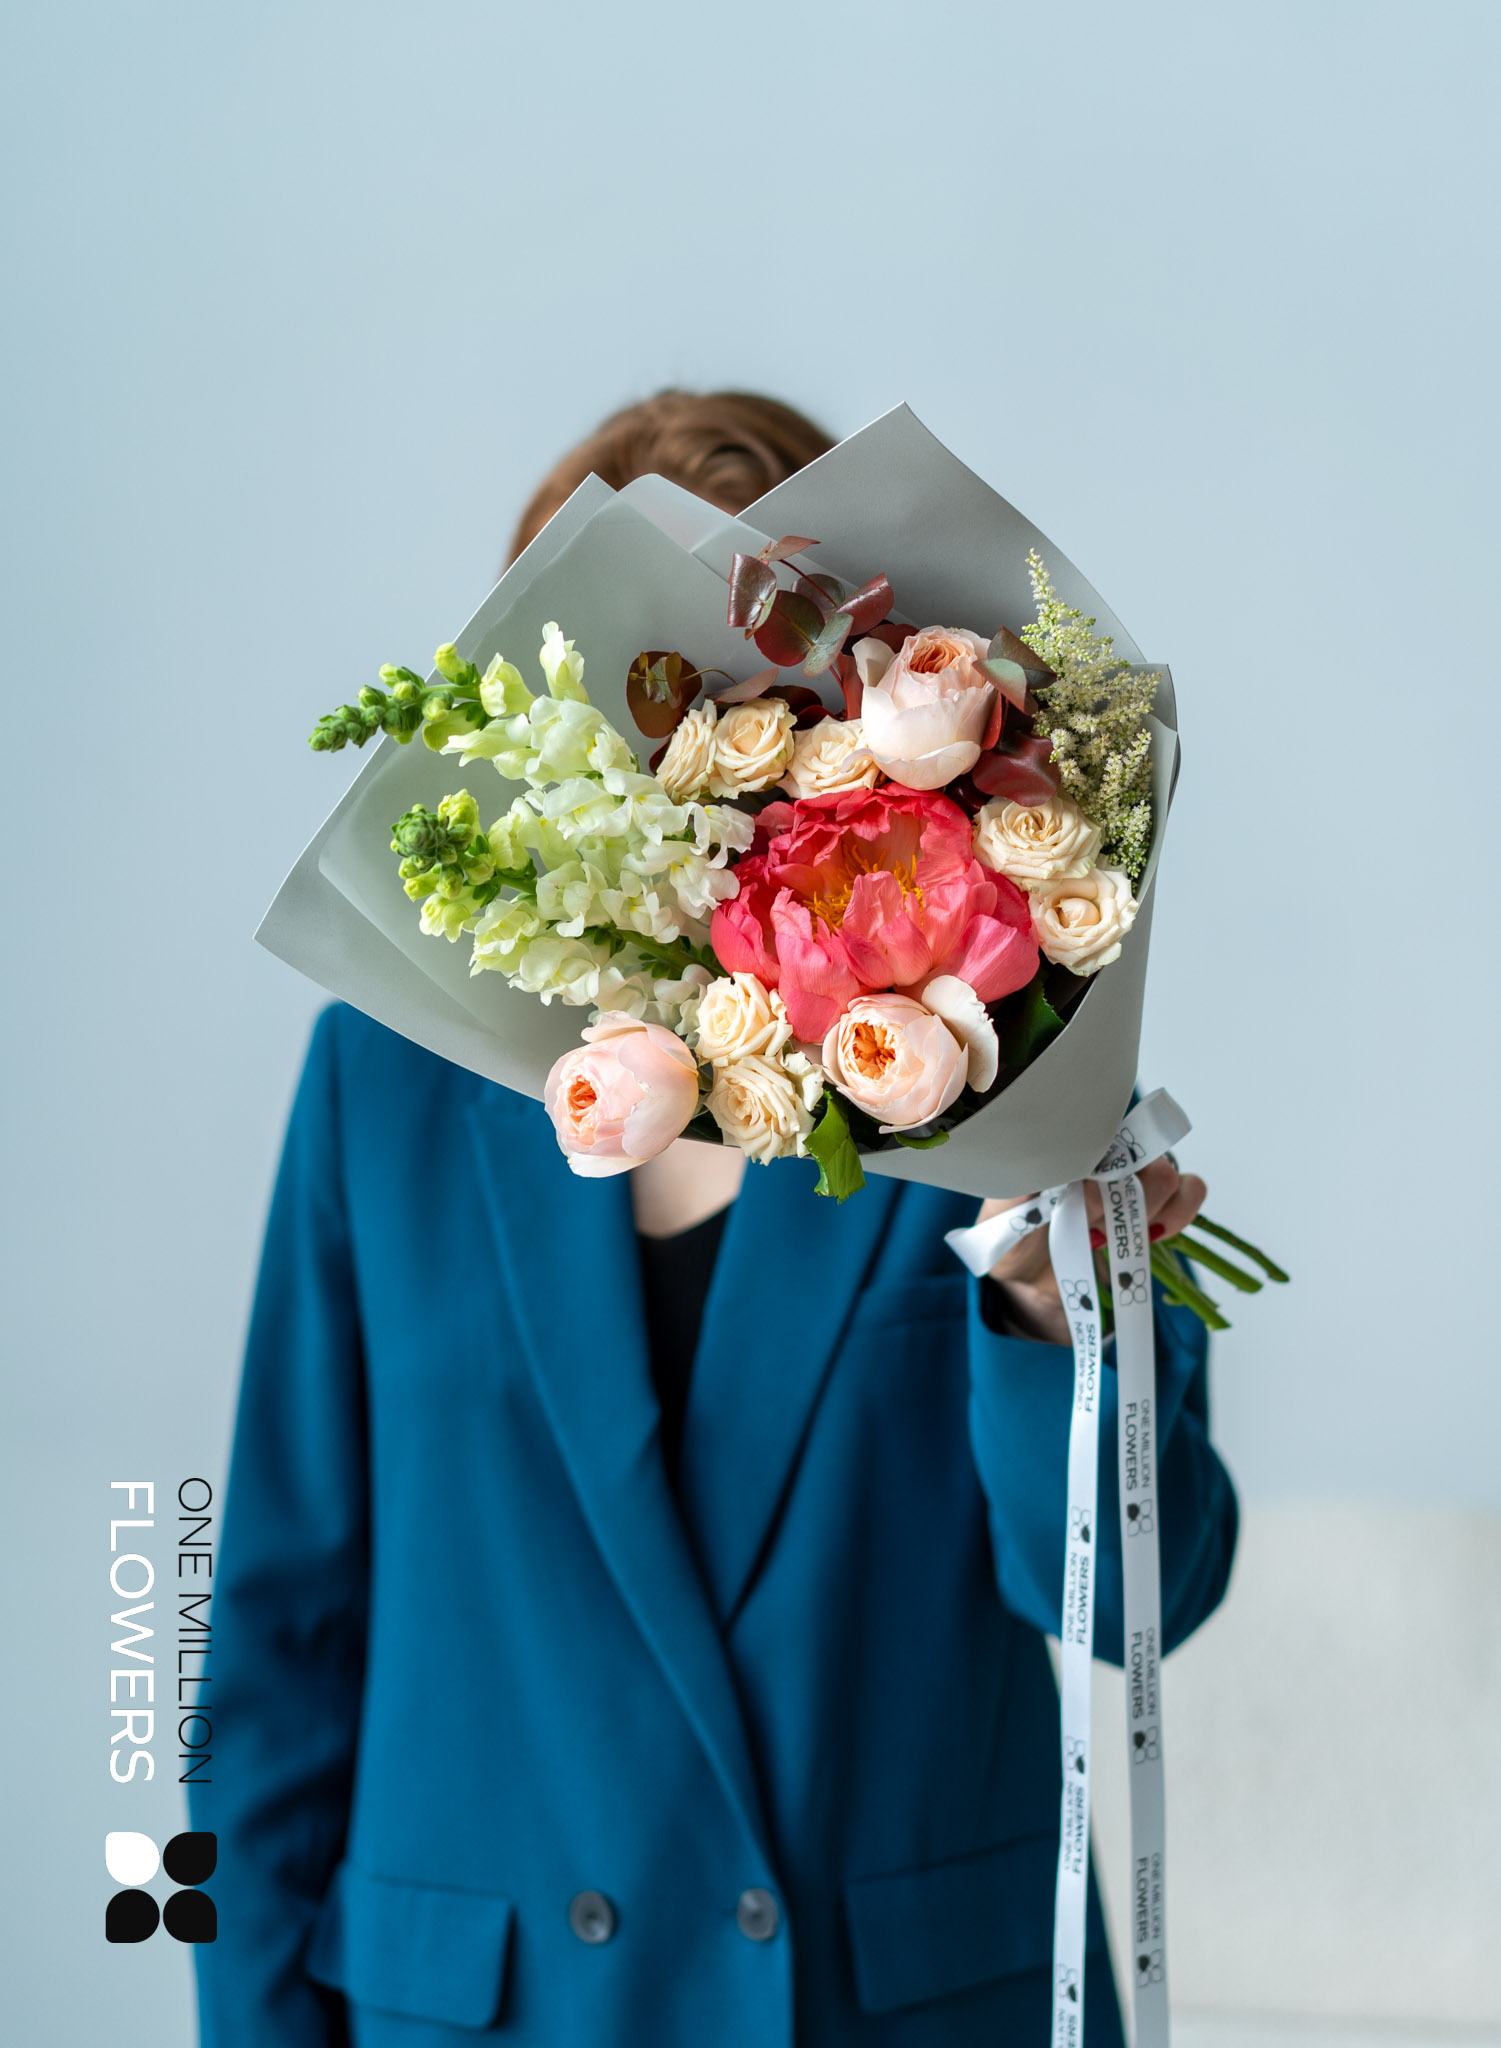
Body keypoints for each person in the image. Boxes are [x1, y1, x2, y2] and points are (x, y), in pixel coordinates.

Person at [191, 389, 1235, 2048]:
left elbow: (1136, 1604)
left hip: (895, 2007)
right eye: (627, 681)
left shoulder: (987, 1043)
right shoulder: (385, 1086)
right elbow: (273, 1630)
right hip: (493, 2009)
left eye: (734, 688)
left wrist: (1050, 1312)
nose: (683, 745)